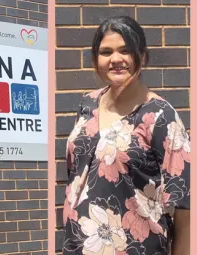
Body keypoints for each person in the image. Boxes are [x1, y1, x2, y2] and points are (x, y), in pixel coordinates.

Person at [62, 16, 190, 255]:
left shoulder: (161, 117)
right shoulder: (87, 104)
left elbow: (186, 206)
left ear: (143, 56)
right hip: (78, 246)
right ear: (95, 60)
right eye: (106, 52)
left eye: (126, 50)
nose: (116, 59)